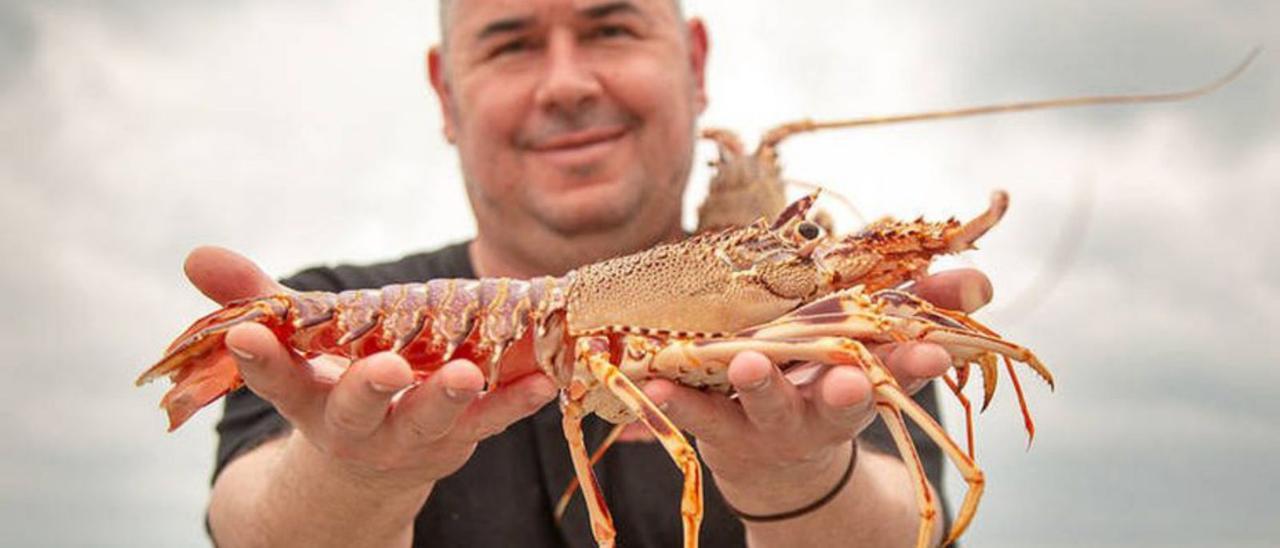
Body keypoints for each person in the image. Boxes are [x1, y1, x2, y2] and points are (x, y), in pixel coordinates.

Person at [192, 0, 993, 546]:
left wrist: (800, 474)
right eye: (511, 43)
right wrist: (350, 479)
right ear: (446, 94)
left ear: (694, 62)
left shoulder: (838, 331)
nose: (568, 84)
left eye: (611, 28)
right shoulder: (317, 310)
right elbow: (248, 516)